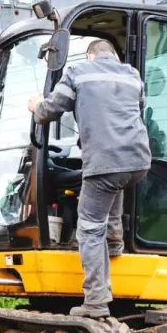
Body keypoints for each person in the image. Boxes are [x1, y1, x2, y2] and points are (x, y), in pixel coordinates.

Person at [28, 38, 151, 318]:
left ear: (89, 55)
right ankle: (114, 242)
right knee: (115, 184)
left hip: (106, 161)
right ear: (113, 56)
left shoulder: (78, 72)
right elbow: (133, 111)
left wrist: (37, 106)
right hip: (138, 160)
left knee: (89, 227)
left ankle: (95, 301)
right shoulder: (132, 75)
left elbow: (51, 110)